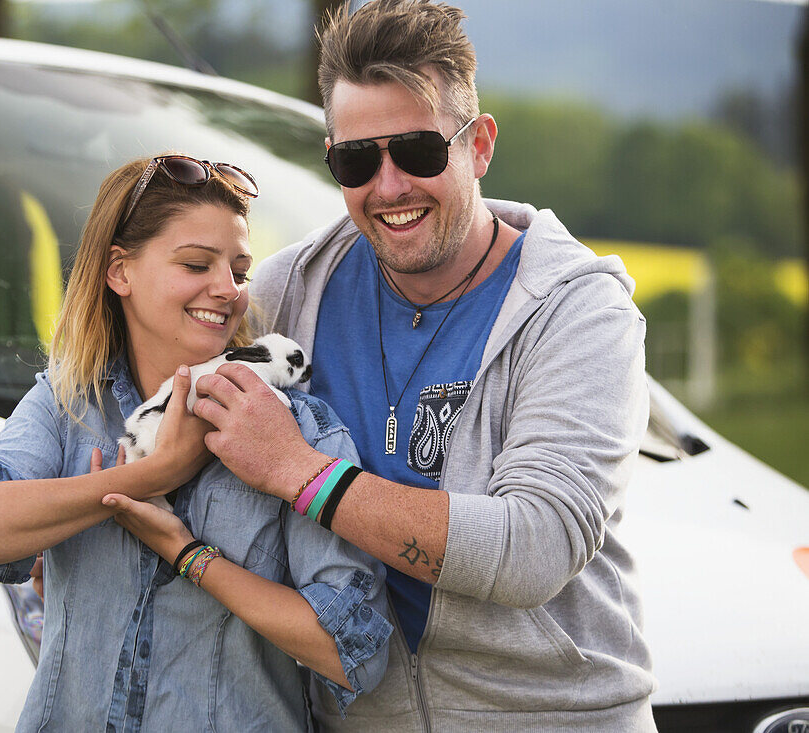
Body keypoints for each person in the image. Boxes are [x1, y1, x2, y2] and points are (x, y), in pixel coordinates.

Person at [190, 1, 658, 730]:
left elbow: (535, 545)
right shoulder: (289, 290)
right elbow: (142, 391)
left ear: (479, 146)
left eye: (417, 151)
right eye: (355, 160)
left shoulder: (578, 313)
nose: (388, 187)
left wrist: (301, 472)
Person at [0, 154, 391, 731]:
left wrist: (191, 556)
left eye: (240, 271)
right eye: (197, 263)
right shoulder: (68, 401)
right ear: (119, 272)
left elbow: (357, 653)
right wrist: (149, 475)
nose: (227, 290)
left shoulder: (296, 428)